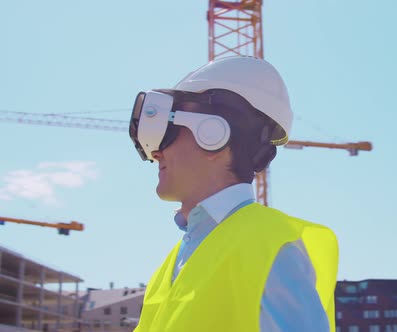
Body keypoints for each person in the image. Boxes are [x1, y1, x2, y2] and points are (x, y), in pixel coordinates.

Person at [128, 56, 339, 331]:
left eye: (168, 132)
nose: (156, 152)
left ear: (213, 134)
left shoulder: (268, 245)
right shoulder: (172, 264)